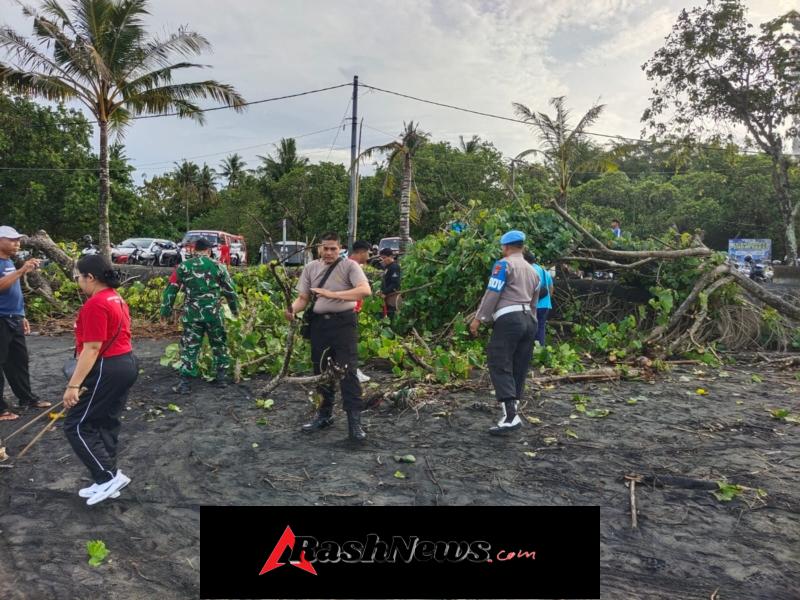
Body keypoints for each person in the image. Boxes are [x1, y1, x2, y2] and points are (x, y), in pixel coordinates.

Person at [63, 255, 138, 505]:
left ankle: (107, 477)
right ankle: (106, 478)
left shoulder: (95, 304)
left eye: (78, 277)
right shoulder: (115, 297)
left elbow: (92, 348)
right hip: (126, 363)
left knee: (76, 424)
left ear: (90, 277)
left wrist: (73, 385)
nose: (78, 282)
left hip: (109, 366)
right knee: (105, 422)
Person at [285, 232, 372, 441]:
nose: (329, 252)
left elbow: (364, 290)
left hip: (343, 324)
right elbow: (303, 298)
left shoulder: (350, 266)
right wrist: (292, 310)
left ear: (340, 248)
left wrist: (333, 295)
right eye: (325, 248)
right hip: (319, 326)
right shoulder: (311, 268)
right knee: (321, 371)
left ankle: (354, 423)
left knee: (347, 371)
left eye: (333, 248)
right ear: (319, 248)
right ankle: (324, 415)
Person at [470, 230, 539, 435]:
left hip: (510, 319)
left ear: (506, 247)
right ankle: (513, 411)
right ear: (522, 247)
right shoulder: (533, 270)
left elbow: (493, 291)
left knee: (499, 362)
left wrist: (479, 318)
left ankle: (510, 417)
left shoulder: (503, 264)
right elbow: (534, 302)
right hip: (529, 320)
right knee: (519, 365)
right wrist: (531, 322)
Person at [160, 238, 238, 394]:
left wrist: (165, 311)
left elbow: (171, 289)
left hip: (192, 315)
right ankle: (221, 378)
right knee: (219, 344)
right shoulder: (218, 266)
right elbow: (230, 290)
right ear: (209, 251)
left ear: (195, 250)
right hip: (214, 315)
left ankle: (185, 383)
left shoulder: (183, 267)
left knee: (190, 346)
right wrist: (234, 309)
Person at [0, 226, 50, 422]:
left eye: (18, 240)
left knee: (18, 361)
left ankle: (26, 398)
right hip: (1, 319)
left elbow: (13, 291)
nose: (17, 243)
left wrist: (22, 315)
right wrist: (22, 271)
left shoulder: (8, 262)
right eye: (12, 240)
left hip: (14, 317)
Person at [349, 240, 372, 383]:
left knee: (349, 341)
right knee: (350, 342)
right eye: (368, 252)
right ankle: (353, 372)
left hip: (352, 309)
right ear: (361, 252)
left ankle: (350, 370)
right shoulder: (351, 266)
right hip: (349, 310)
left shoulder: (352, 265)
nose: (369, 256)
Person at [524, 251, 554, 347]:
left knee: (529, 328)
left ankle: (529, 349)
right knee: (541, 327)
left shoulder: (528, 270)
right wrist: (546, 299)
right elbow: (551, 288)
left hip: (532, 305)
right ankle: (540, 349)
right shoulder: (544, 271)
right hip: (546, 305)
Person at [379, 248, 401, 319]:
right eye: (382, 258)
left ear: (391, 256)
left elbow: (395, 283)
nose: (383, 260)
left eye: (384, 258)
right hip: (386, 296)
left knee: (391, 315)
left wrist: (385, 293)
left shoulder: (394, 267)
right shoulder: (387, 267)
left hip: (392, 296)